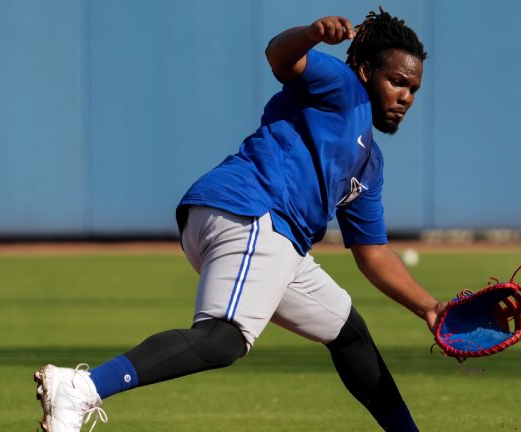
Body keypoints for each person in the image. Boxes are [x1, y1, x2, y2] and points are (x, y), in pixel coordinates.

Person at [34, 8, 446, 431]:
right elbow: (280, 57)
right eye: (397, 81)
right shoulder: (345, 89)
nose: (405, 97)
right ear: (364, 70)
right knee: (224, 339)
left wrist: (430, 308)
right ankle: (81, 388)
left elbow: (374, 254)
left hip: (270, 235)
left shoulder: (369, 165)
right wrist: (310, 34)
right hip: (255, 212)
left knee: (347, 330)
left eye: (413, 88)